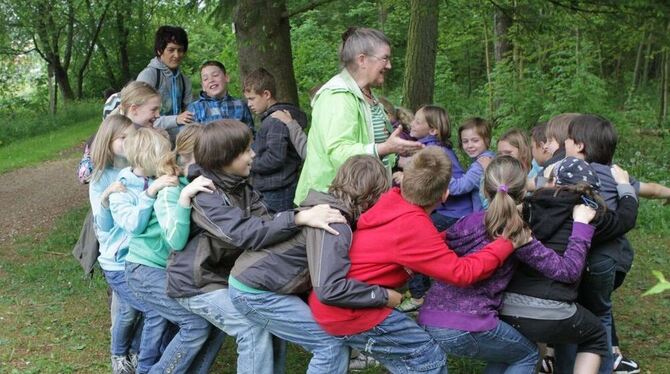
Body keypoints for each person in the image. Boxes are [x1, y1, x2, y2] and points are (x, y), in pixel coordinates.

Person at [308, 147, 524, 374]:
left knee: (411, 359)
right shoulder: (413, 226)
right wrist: (507, 243)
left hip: (336, 305)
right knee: (426, 357)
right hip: (350, 312)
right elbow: (463, 273)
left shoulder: (392, 201)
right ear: (445, 195)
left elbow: (418, 245)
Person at [164, 119, 347, 374]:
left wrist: (305, 218)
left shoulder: (240, 185)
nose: (254, 154)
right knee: (251, 327)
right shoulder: (206, 196)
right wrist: (298, 218)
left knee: (271, 322)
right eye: (246, 150)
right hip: (198, 282)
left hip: (226, 275)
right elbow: (244, 233)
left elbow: (267, 221)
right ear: (225, 157)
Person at [419, 155, 599, 373]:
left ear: (484, 190)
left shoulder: (466, 222)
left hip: (431, 318)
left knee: (507, 354)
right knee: (528, 354)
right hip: (470, 324)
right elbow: (567, 271)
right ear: (524, 192)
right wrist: (580, 226)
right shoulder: (516, 233)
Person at [229, 154, 399, 374]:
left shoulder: (326, 204)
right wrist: (384, 296)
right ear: (371, 197)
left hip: (255, 281)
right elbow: (329, 289)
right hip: (255, 292)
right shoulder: (335, 224)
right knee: (330, 345)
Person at [501, 156, 639, 374]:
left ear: (554, 182)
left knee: (527, 346)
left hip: (507, 306)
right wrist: (625, 187)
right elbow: (626, 218)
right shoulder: (589, 213)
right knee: (596, 336)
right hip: (554, 309)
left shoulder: (528, 207)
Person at [555, 114, 669, 374]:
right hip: (606, 262)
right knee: (601, 315)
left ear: (580, 145)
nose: (565, 143)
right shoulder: (614, 174)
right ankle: (604, 368)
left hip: (572, 257)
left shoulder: (565, 172)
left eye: (569, 139)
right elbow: (650, 189)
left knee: (569, 313)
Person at [110, 128, 223, 373]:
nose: (169, 157)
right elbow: (173, 240)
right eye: (163, 153)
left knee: (213, 323)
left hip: (165, 268)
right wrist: (181, 197)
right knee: (195, 324)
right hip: (145, 269)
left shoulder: (176, 179)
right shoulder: (164, 188)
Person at [294, 27, 423, 205]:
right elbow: (340, 153)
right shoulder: (338, 97)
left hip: (359, 197)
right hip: (331, 203)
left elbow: (369, 142)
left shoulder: (365, 94)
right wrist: (385, 148)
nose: (389, 65)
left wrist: (401, 158)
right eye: (385, 58)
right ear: (362, 60)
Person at [89, 115, 156, 374]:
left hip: (141, 256)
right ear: (108, 141)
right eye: (122, 138)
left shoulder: (138, 167)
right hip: (117, 260)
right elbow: (103, 227)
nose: (129, 143)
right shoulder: (101, 178)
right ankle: (121, 357)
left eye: (132, 136)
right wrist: (106, 198)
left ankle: (135, 354)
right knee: (136, 309)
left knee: (132, 309)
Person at [392, 105, 469, 313]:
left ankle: (419, 295)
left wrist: (405, 177)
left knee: (412, 240)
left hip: (452, 213)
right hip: (447, 210)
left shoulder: (433, 151)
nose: (412, 124)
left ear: (433, 130)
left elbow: (441, 178)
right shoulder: (430, 146)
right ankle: (425, 291)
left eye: (418, 122)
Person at [243, 68, 308, 212]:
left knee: (278, 231)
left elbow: (275, 157)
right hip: (276, 188)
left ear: (266, 94)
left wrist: (248, 163)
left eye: (252, 98)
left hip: (277, 190)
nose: (249, 104)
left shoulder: (275, 120)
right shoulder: (273, 118)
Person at [137, 25, 193, 139]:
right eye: (171, 50)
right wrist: (176, 119)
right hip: (152, 141)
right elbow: (139, 118)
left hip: (180, 140)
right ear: (159, 50)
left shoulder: (184, 81)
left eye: (180, 50)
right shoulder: (149, 76)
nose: (176, 55)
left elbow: (190, 114)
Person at [186, 60, 254, 132]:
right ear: (203, 86)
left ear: (226, 77)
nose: (211, 80)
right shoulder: (195, 108)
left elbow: (250, 134)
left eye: (215, 75)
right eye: (205, 79)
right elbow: (190, 139)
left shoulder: (241, 105)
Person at [449, 117, 495, 213]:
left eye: (475, 140)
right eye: (465, 141)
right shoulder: (491, 156)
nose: (470, 145)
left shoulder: (480, 165)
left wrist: (439, 174)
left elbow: (457, 188)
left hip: (483, 217)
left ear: (486, 140)